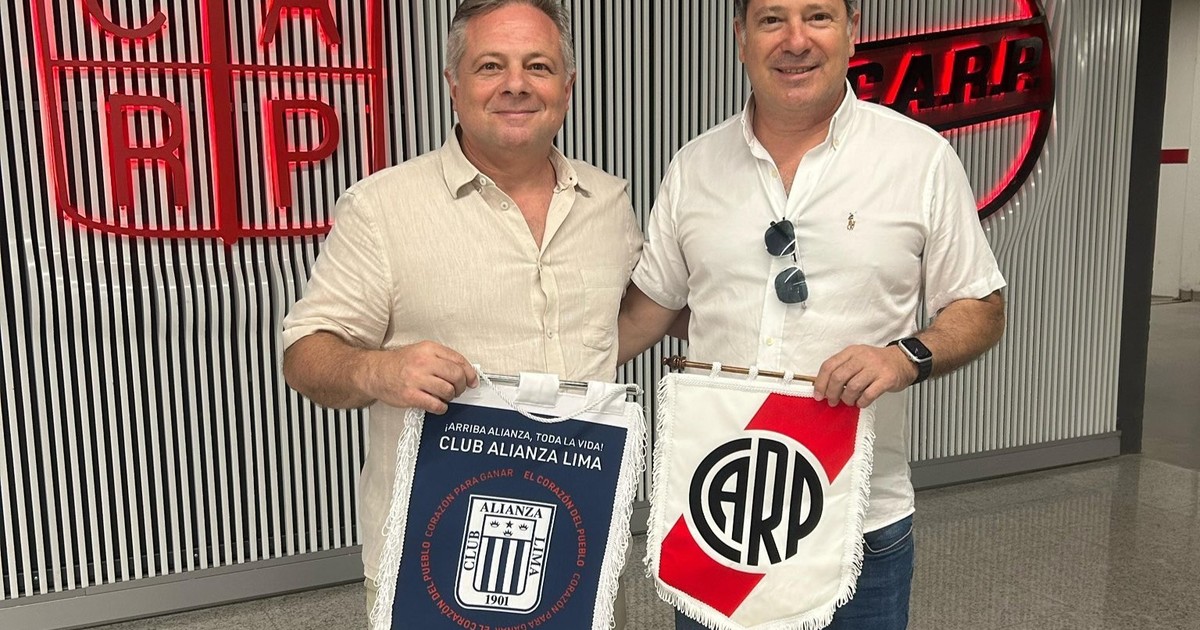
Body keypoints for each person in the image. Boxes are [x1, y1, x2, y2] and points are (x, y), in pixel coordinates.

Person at [617, 0, 1006, 628]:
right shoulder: (694, 166)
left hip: (857, 522)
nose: (795, 40)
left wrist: (903, 357)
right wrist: (524, 381)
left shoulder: (920, 159)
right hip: (720, 520)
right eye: (772, 20)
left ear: (852, 32)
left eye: (818, 17)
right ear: (742, 37)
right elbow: (647, 313)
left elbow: (980, 306)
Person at [281, 0, 642, 626]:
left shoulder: (609, 202)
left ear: (567, 86)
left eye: (537, 66)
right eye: (490, 66)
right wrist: (379, 370)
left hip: (580, 545)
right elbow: (305, 353)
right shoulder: (383, 207)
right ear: (454, 84)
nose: (515, 84)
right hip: (433, 555)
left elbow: (632, 321)